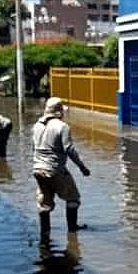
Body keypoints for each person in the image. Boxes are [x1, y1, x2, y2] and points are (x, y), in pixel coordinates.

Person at [32, 97, 91, 238]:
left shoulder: (36, 126)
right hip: (55, 169)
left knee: (44, 204)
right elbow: (69, 149)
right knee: (73, 199)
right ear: (59, 112)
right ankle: (72, 231)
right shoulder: (62, 126)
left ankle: (44, 235)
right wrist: (82, 167)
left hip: (38, 169)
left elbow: (33, 148)